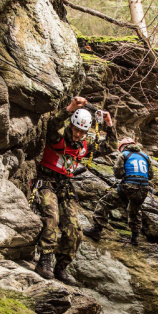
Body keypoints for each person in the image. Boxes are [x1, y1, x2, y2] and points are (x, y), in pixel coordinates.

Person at [33, 96, 117, 285]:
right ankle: (44, 260)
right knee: (51, 217)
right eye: (76, 129)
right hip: (46, 181)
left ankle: (61, 267)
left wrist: (109, 125)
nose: (78, 134)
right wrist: (69, 108)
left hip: (65, 187)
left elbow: (111, 146)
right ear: (71, 125)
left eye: (82, 131)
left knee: (74, 230)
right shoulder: (58, 138)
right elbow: (53, 124)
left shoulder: (84, 147)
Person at [83, 137, 153, 246]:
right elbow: (150, 175)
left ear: (122, 147)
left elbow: (118, 173)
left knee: (104, 203)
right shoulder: (145, 156)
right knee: (135, 210)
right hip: (143, 189)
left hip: (129, 187)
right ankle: (135, 238)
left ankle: (96, 230)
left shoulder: (124, 155)